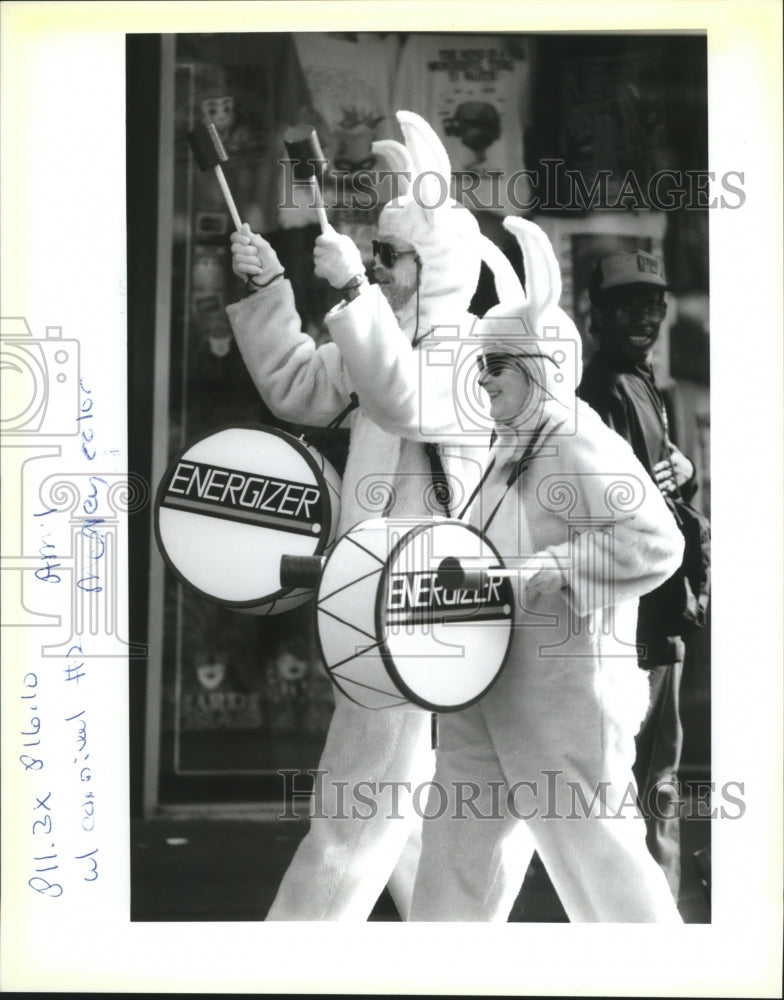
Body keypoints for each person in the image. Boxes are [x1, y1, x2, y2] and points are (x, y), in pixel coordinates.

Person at [224, 110, 521, 921]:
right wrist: (269, 289)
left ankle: (294, 952)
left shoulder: (473, 355)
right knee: (397, 792)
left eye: (392, 256)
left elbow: (403, 395)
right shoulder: (378, 335)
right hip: (373, 597)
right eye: (379, 256)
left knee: (359, 800)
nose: (381, 267)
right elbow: (293, 384)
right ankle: (452, 944)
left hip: (431, 603)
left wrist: (353, 294)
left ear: (432, 265)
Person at [402, 217, 685, 922]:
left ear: (535, 368)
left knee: (604, 866)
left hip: (568, 705)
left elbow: (656, 541)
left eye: (494, 365)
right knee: (455, 863)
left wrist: (545, 571)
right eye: (481, 364)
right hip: (488, 694)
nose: (483, 379)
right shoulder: (509, 448)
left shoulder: (575, 440)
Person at [577, 249, 697, 898]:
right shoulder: (603, 390)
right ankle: (650, 920)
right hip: (637, 623)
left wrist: (685, 472)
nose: (642, 316)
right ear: (595, 314)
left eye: (652, 303)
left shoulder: (641, 383)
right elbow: (605, 516)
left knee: (654, 776)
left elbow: (661, 483)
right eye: (626, 304)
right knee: (644, 781)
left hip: (658, 615)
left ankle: (653, 910)